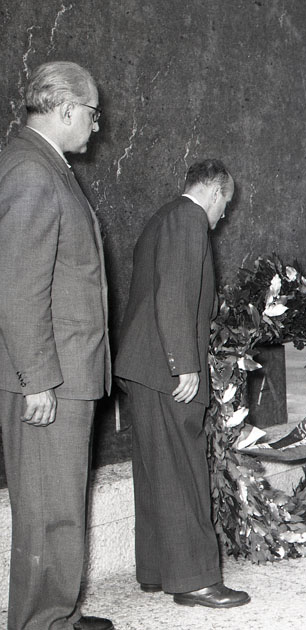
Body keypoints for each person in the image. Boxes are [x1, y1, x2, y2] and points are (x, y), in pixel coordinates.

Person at [0, 62, 113, 630]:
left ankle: (58, 614)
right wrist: (37, 379)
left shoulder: (44, 164)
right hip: (51, 378)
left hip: (67, 371)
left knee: (62, 506)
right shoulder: (30, 169)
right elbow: (18, 285)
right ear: (67, 109)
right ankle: (41, 623)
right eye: (93, 114)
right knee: (47, 511)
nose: (97, 125)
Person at [114, 159, 250, 609]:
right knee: (183, 470)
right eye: (226, 203)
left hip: (144, 366)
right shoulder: (189, 218)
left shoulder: (163, 217)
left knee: (157, 470)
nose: (224, 215)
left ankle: (160, 569)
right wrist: (184, 364)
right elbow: (173, 293)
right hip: (165, 367)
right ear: (213, 192)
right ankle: (195, 581)